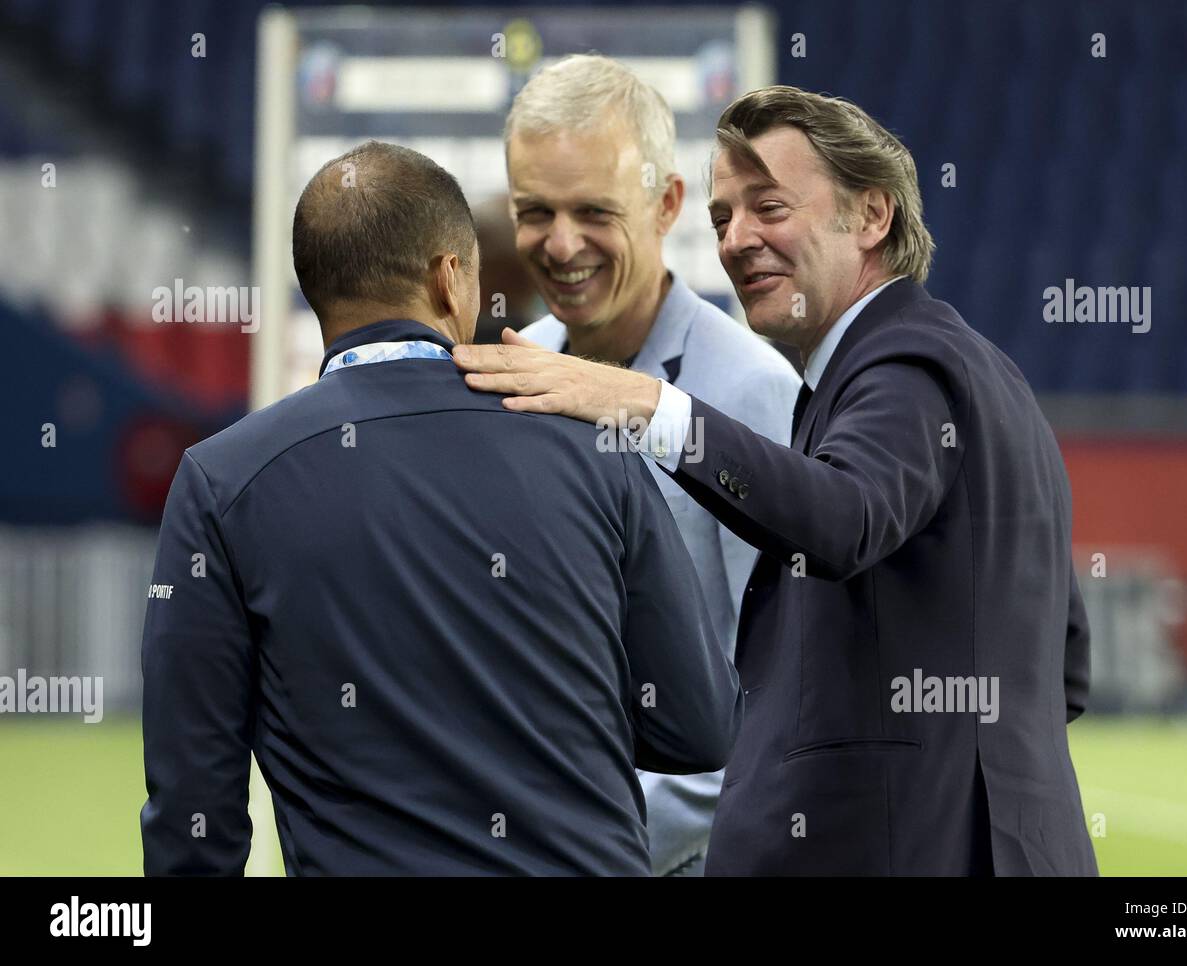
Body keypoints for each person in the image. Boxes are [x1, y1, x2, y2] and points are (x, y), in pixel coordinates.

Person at [454, 87, 1098, 875]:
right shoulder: (971, 368)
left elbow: (843, 517)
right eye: (724, 218)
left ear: (871, 216)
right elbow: (1064, 663)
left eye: (769, 206)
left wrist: (648, 403)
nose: (736, 239)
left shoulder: (904, 367)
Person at [139, 140, 741, 876]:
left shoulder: (223, 480)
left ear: (316, 287)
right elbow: (700, 730)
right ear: (450, 279)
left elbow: (193, 814)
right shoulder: (596, 447)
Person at [503, 54, 799, 875]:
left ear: (667, 203)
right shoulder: (510, 370)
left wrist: (586, 849)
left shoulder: (750, 393)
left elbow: (776, 709)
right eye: (536, 212)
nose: (561, 245)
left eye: (593, 210)